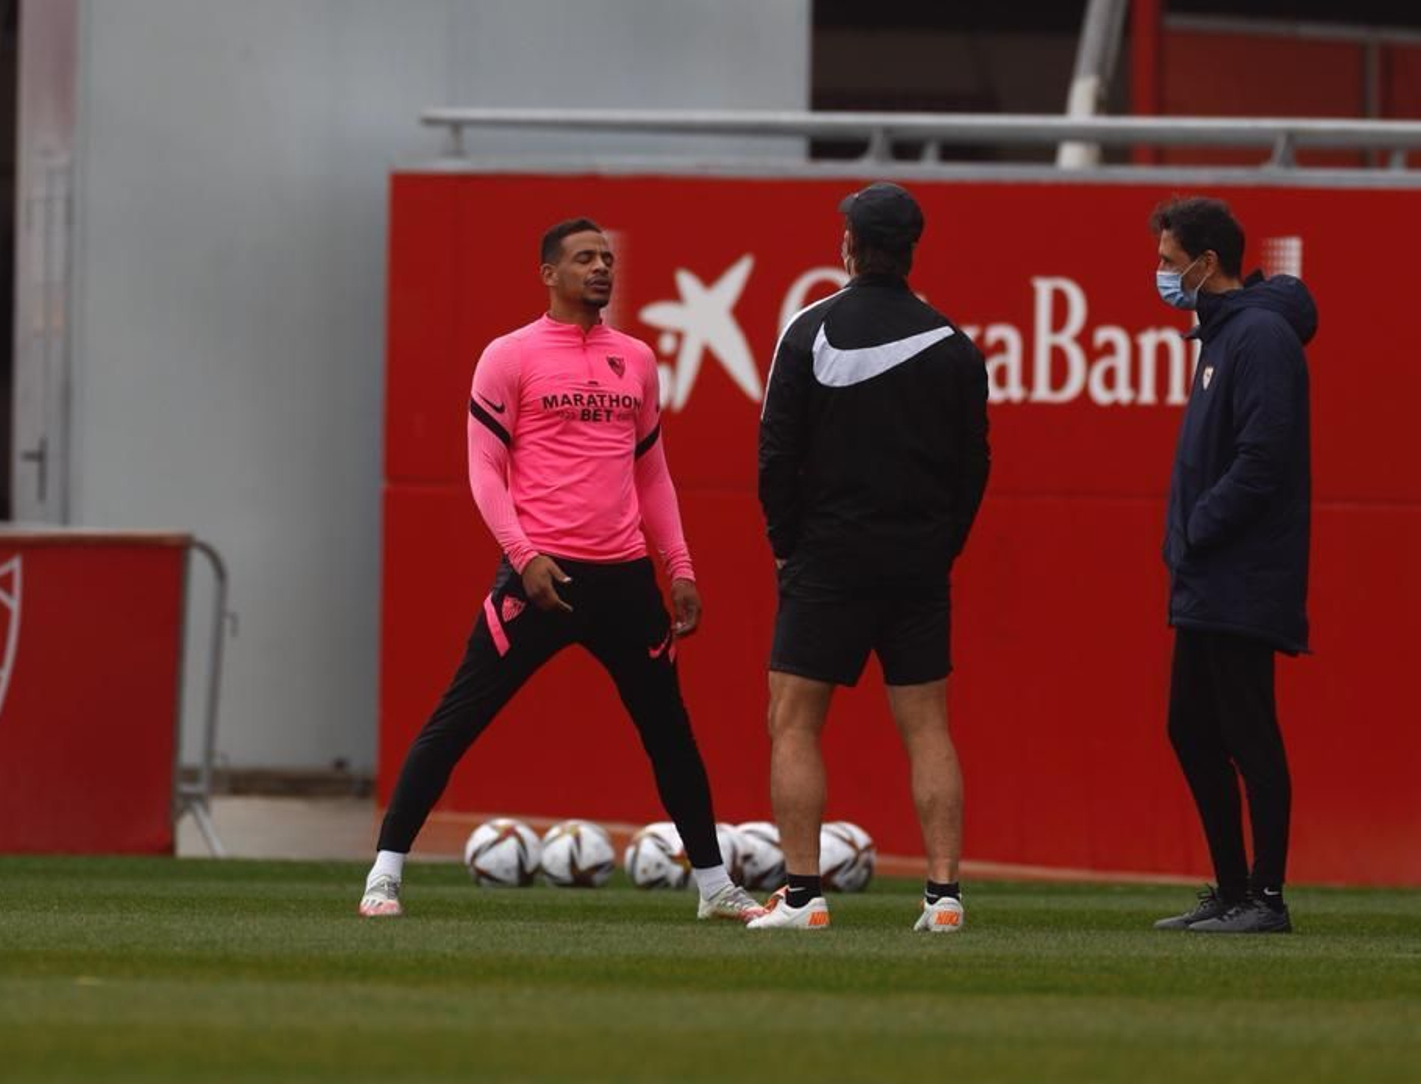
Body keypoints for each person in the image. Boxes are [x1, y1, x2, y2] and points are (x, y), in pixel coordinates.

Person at [359, 217, 763, 924]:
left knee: (671, 735)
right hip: (540, 579)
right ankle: (385, 875)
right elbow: (484, 472)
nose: (600, 268)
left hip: (627, 581)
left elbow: (653, 475)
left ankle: (716, 887)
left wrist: (682, 567)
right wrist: (525, 557)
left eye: (606, 257)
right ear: (549, 273)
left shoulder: (635, 357)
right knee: (455, 722)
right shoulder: (509, 355)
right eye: (583, 259)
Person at [749, 183, 990, 932]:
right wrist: (937, 547)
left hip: (828, 558)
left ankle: (800, 895)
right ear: (911, 248)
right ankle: (944, 897)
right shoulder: (955, 344)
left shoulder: (809, 329)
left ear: (850, 245)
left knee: (792, 723)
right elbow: (973, 469)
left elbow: (774, 456)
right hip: (918, 563)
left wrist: (789, 547)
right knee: (928, 727)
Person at [1148, 197, 1315, 934]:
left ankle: (1266, 898)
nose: (1160, 272)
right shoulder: (1221, 335)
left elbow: (1262, 459)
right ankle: (1232, 886)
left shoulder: (1259, 338)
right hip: (1209, 573)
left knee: (1250, 730)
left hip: (1241, 573)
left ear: (1205, 261)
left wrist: (1198, 528)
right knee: (1190, 727)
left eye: (1166, 258)